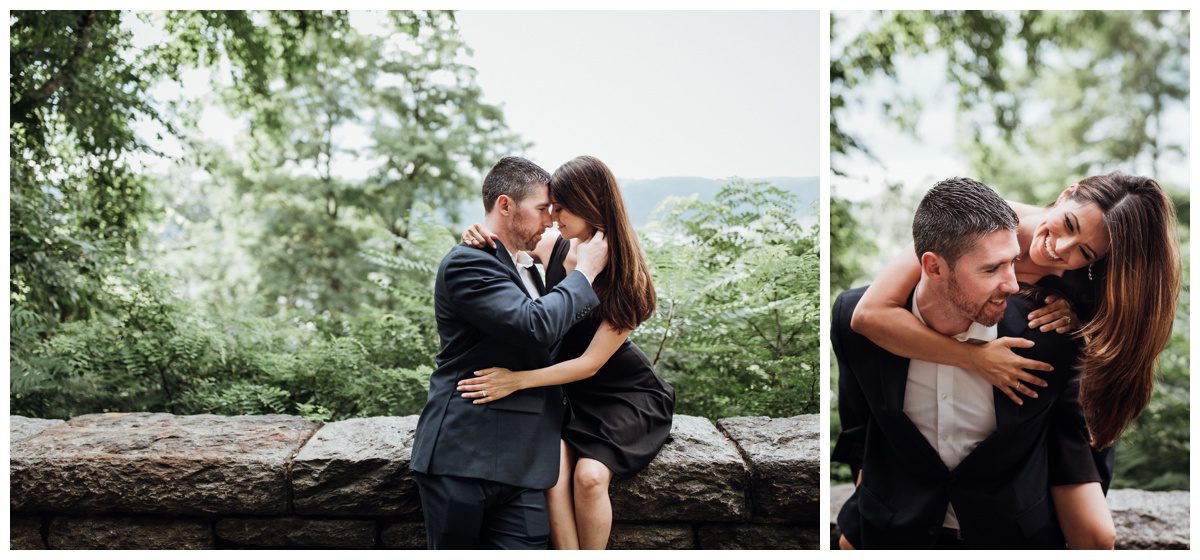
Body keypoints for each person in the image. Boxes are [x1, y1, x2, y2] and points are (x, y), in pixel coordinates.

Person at [848, 172, 1180, 548]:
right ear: (1066, 193)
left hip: (1061, 400)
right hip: (995, 380)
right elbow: (868, 314)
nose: (1062, 248)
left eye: (1085, 253)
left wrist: (1080, 320)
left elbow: (1112, 342)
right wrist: (974, 358)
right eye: (1068, 224)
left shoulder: (1094, 282)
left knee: (1095, 536)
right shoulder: (978, 223)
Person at [456, 155, 675, 550]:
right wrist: (474, 232)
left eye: (562, 207)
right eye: (551, 206)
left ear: (592, 205)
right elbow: (506, 237)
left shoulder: (630, 279)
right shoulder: (556, 245)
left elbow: (590, 364)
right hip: (568, 394)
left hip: (624, 396)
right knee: (551, 473)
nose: (553, 217)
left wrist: (516, 381)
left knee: (589, 478)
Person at [409, 156, 610, 549]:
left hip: (528, 468)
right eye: (540, 210)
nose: (550, 221)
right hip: (463, 459)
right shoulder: (468, 262)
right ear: (505, 205)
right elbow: (535, 327)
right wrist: (585, 275)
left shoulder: (531, 266)